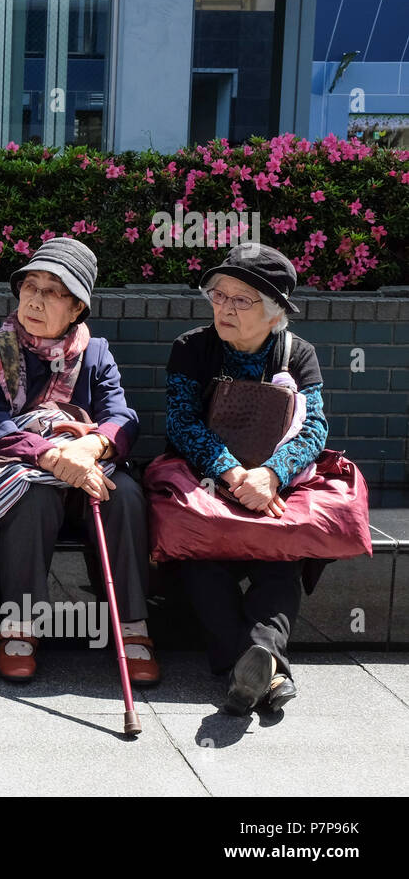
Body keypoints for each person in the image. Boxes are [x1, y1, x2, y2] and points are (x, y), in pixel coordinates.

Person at [0, 238, 158, 685]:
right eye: (30, 286)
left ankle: (132, 627)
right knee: (32, 499)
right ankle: (18, 627)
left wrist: (90, 448)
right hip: (22, 467)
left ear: (77, 308)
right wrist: (47, 453)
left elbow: (121, 416)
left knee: (125, 497)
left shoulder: (95, 353)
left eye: (52, 291)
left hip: (85, 469)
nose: (35, 299)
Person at [164, 243, 327, 715]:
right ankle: (267, 672)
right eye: (219, 295)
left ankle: (252, 668)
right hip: (206, 483)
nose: (224, 308)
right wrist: (233, 472)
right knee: (201, 559)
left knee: (280, 558)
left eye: (241, 299)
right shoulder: (192, 348)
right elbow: (181, 423)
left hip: (271, 487)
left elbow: (314, 427)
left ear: (274, 311)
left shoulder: (298, 353)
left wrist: (272, 475)